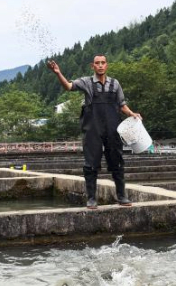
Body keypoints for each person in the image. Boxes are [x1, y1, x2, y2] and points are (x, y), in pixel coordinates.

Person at [47, 54, 141, 209]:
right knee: (91, 163)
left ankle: (122, 196)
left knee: (117, 160)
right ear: (93, 66)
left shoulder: (115, 84)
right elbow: (69, 87)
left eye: (103, 63)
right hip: (93, 129)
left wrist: (131, 113)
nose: (100, 65)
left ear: (107, 65)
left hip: (112, 128)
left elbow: (122, 104)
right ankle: (91, 198)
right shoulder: (87, 82)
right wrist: (58, 73)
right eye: (97, 63)